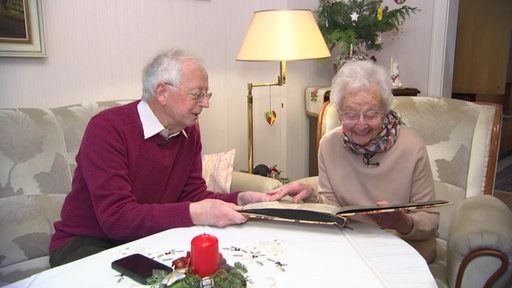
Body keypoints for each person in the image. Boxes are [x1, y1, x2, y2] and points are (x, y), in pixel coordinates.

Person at [49, 48, 313, 267]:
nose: (206, 103)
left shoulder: (188, 130)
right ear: (162, 92)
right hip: (86, 243)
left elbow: (193, 195)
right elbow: (117, 219)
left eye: (206, 94)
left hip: (146, 239)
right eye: (197, 94)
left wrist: (241, 198)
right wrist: (196, 213)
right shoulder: (108, 128)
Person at [314, 60, 439, 262]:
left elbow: (429, 220)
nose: (361, 124)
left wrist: (402, 221)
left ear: (386, 110)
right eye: (351, 115)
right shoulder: (329, 145)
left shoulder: (411, 146)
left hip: (399, 248)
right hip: (349, 247)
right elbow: (329, 207)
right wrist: (310, 196)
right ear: (339, 113)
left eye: (371, 114)